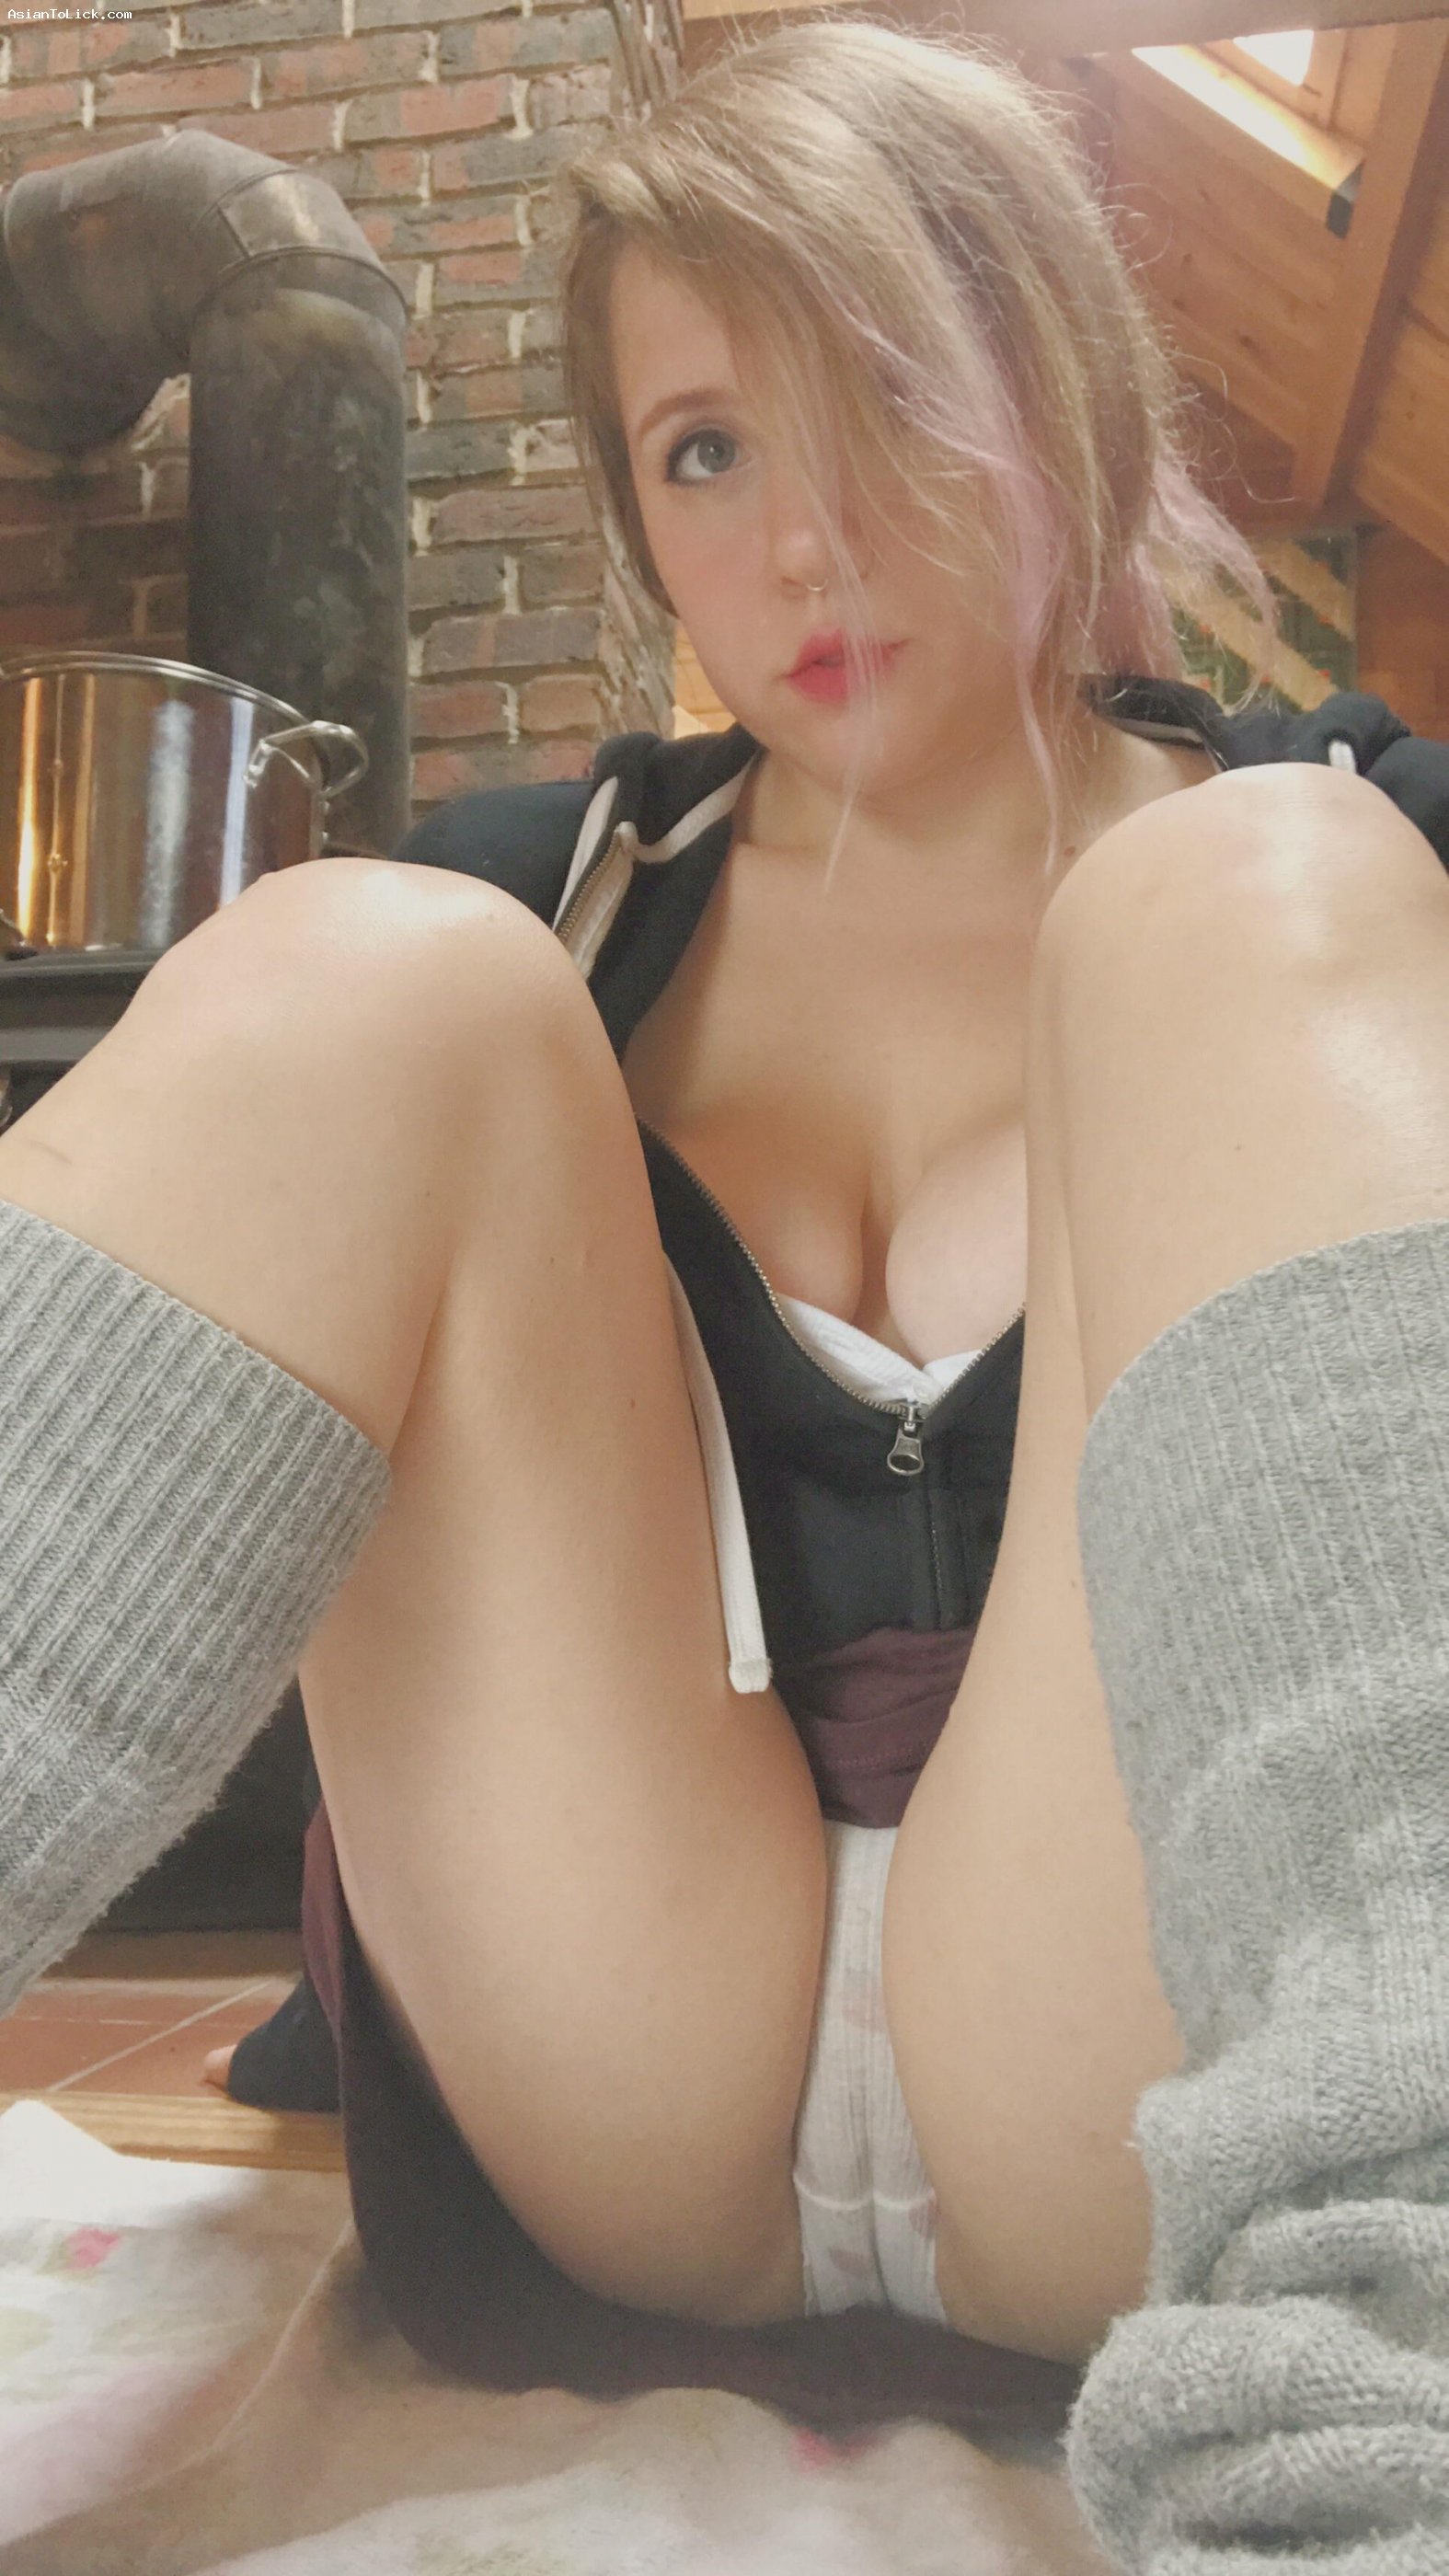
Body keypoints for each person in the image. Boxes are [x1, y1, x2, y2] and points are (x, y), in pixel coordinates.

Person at [5, 21, 1449, 2563]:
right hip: (615, 2072)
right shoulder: (540, 894)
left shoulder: (1359, 852)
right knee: (359, 958)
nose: (801, 539)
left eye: (884, 391)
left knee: (1262, 895)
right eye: (702, 451)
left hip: (1157, 2070)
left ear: (1066, 384)